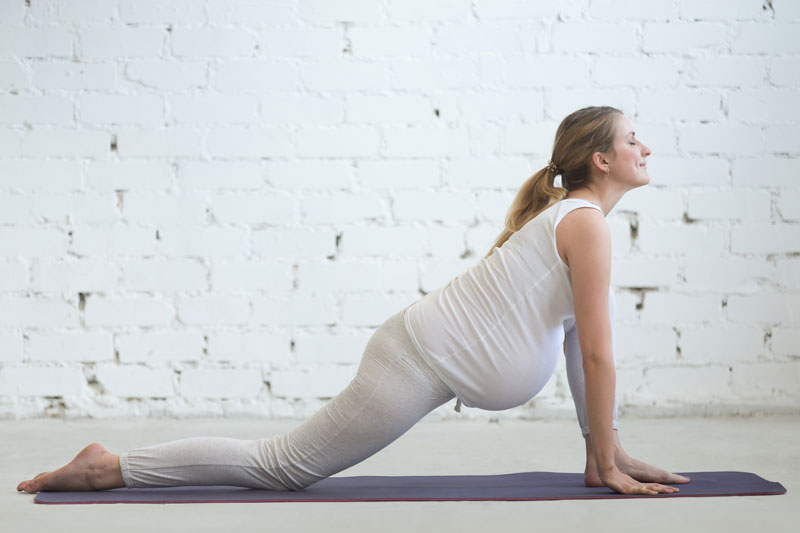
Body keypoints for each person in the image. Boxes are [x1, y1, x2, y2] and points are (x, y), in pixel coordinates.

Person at [17, 106, 690, 497]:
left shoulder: (578, 223)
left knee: (281, 464)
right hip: (416, 359)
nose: (645, 146)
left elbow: (578, 344)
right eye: (632, 139)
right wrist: (604, 458)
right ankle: (106, 466)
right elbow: (600, 354)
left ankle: (107, 463)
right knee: (281, 466)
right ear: (600, 160)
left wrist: (605, 451)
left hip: (427, 355)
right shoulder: (584, 223)